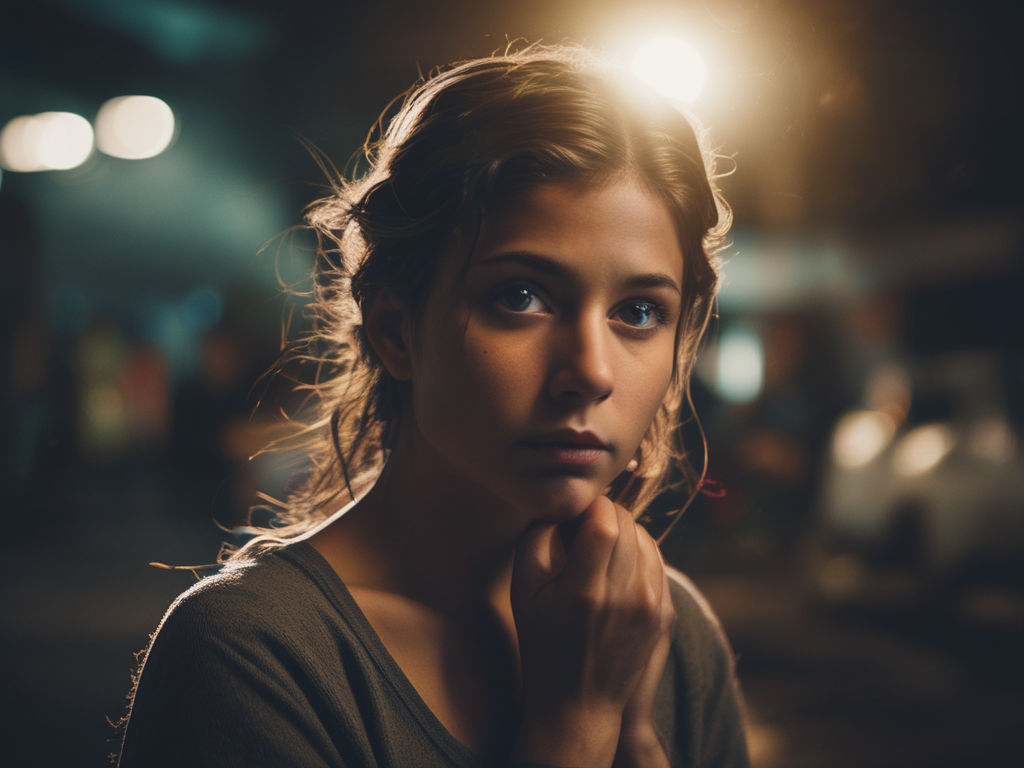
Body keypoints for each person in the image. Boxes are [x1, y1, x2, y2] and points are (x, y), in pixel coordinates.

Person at [116, 44, 749, 768]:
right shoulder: (255, 655)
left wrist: (637, 740)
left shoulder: (666, 631)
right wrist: (578, 725)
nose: (591, 373)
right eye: (520, 297)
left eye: (638, 311)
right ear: (395, 329)